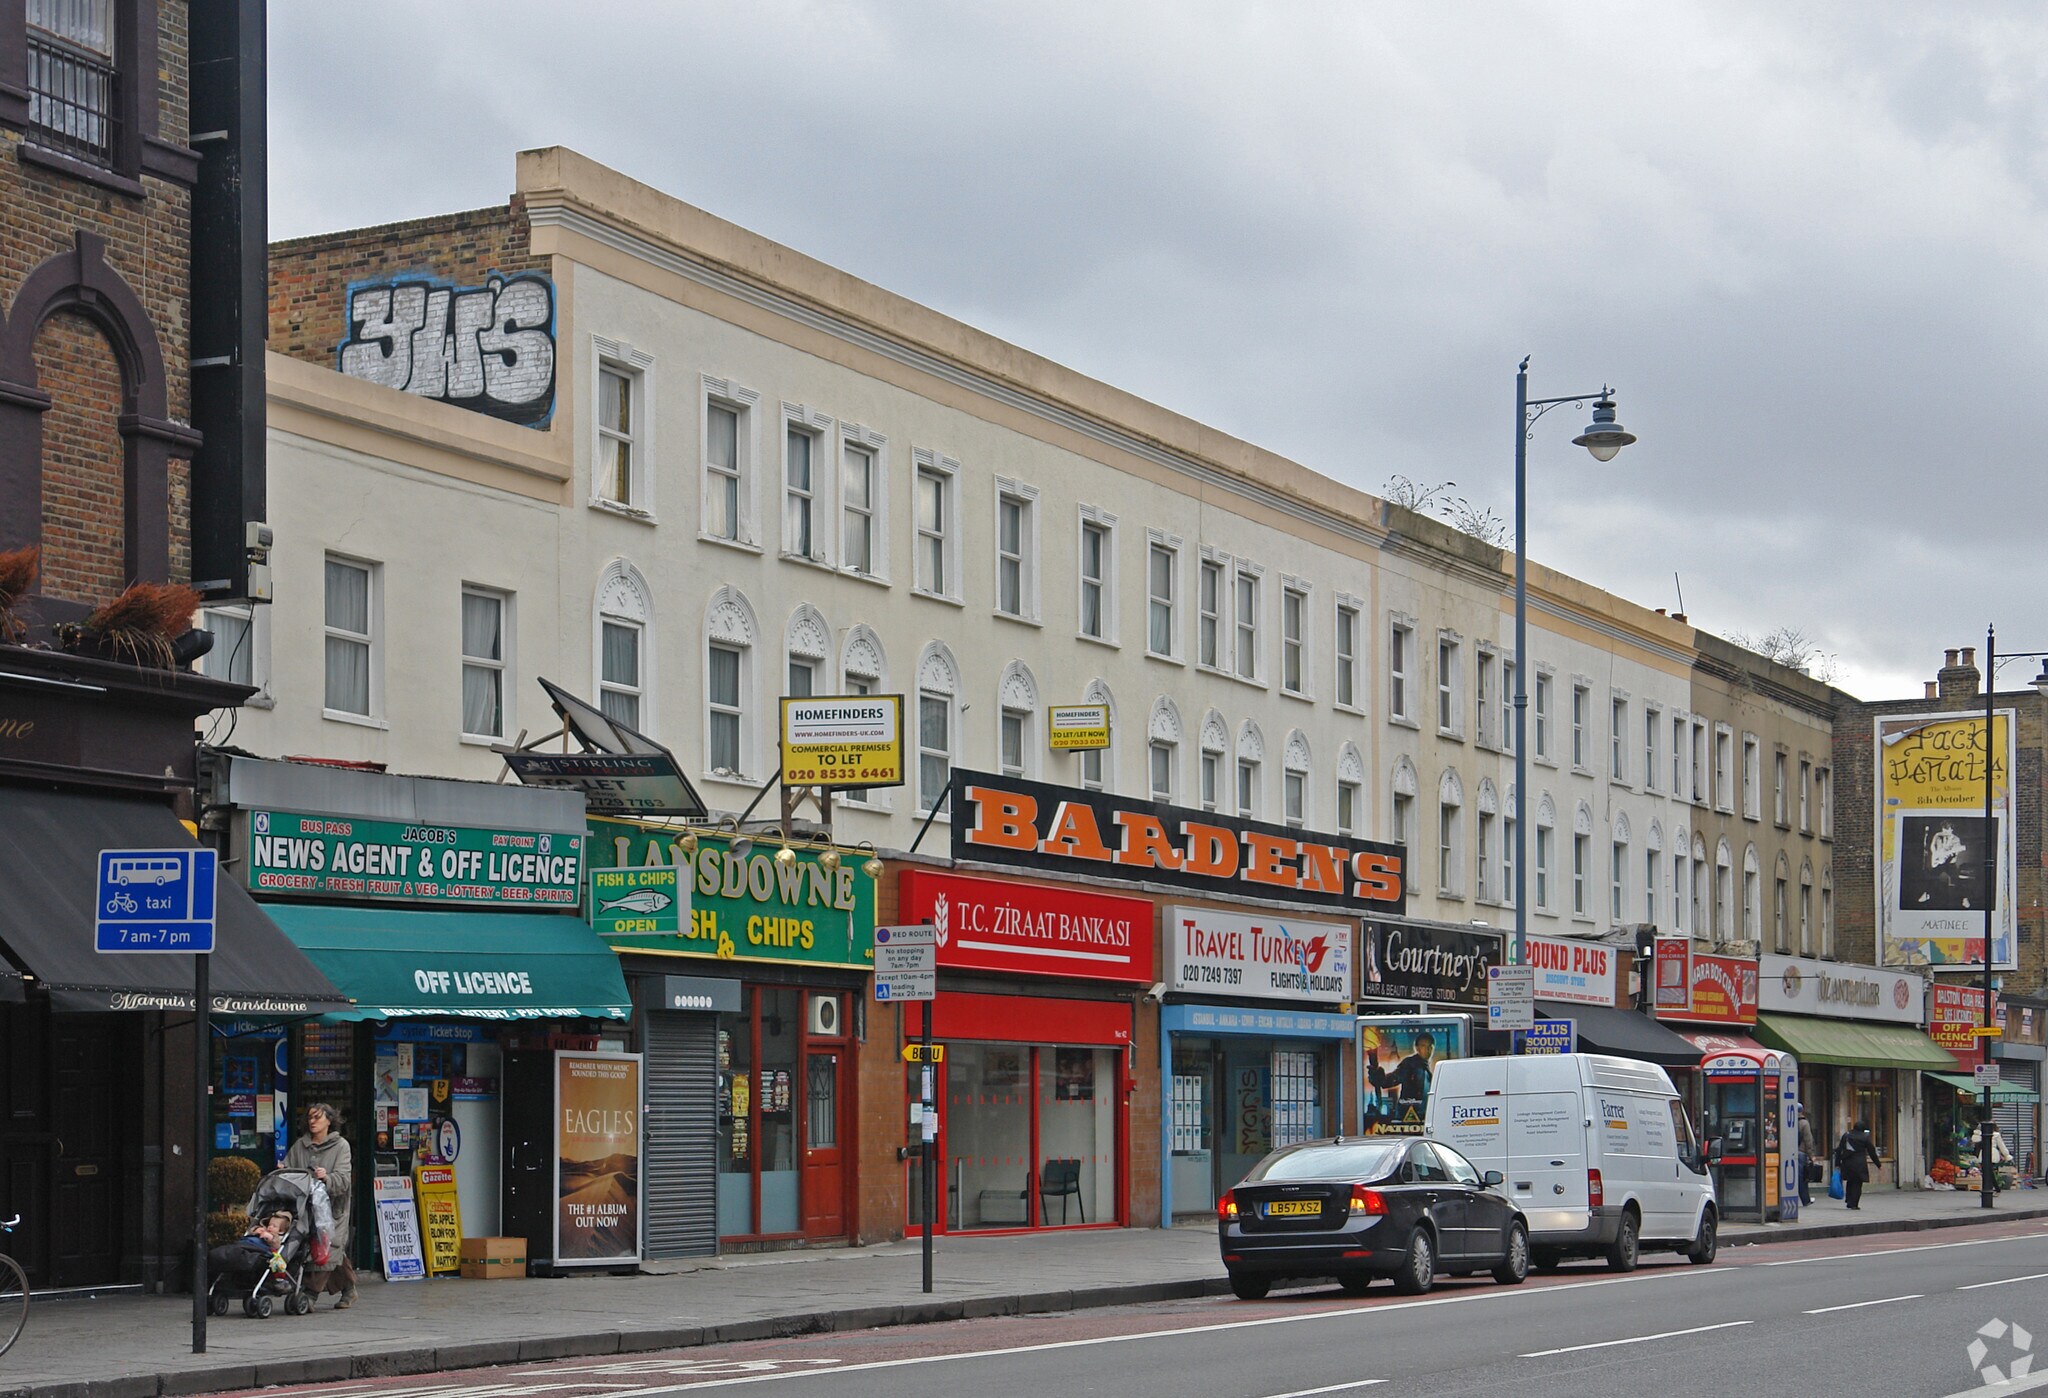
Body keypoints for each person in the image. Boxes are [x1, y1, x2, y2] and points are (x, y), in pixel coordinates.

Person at [284, 1102, 356, 1309]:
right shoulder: (300, 1145)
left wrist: (327, 1178)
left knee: (327, 1247)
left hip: (332, 1208)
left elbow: (343, 1179)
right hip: (306, 1207)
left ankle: (310, 1293)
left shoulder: (341, 1146)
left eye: (317, 1117)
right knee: (331, 1251)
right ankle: (349, 1289)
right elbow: (290, 1169)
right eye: (310, 1118)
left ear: (329, 1120)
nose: (312, 1122)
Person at [207, 1207, 292, 1278]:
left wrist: (270, 1237)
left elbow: (277, 1245)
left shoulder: (276, 1236)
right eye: (269, 1224)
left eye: (274, 1226)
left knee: (235, 1253)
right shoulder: (263, 1229)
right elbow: (250, 1233)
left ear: (281, 1231)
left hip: (256, 1251)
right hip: (244, 1245)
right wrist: (256, 1230)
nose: (270, 1227)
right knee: (224, 1252)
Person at [1834, 1120, 1881, 1210]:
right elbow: (1872, 1151)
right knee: (1857, 1184)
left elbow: (1840, 1150)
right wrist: (1878, 1164)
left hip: (1847, 1162)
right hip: (1859, 1163)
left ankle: (1848, 1200)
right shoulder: (1865, 1137)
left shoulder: (1846, 1135)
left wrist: (1837, 1163)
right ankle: (1854, 1203)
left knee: (1850, 1181)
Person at [1795, 1103, 1816, 1207]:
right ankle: (1805, 1200)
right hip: (1801, 1153)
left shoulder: (1787, 1121)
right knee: (1802, 1179)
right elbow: (1808, 1140)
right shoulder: (1804, 1123)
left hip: (1788, 1153)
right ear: (1802, 1111)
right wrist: (1811, 1154)